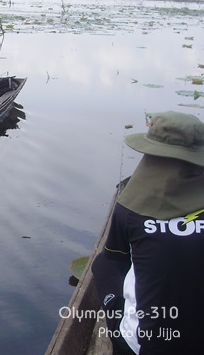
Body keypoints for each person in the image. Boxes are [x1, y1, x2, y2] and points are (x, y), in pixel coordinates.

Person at [92, 111, 204, 355]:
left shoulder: (129, 208)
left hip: (145, 346)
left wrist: (114, 303)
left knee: (102, 263)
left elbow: (113, 259)